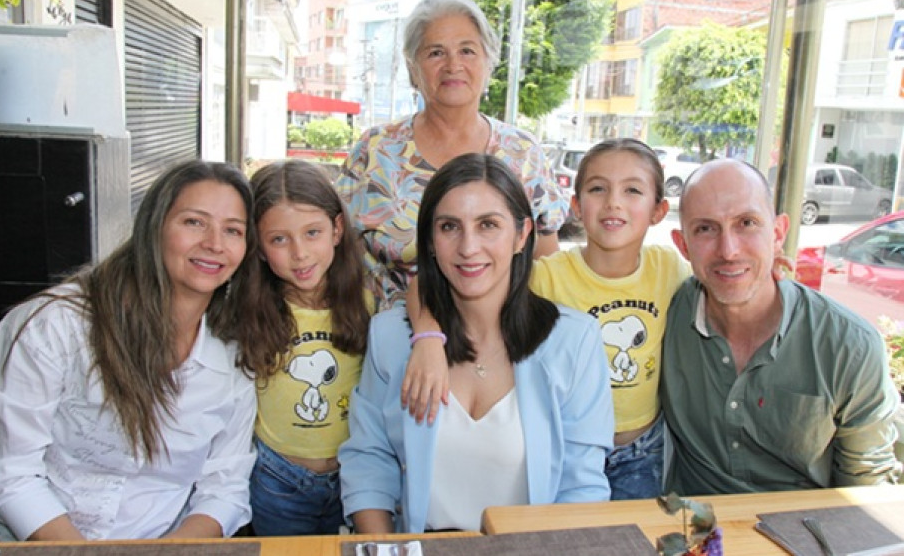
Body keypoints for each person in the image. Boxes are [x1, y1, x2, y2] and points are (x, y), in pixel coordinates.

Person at [0, 161, 258, 541]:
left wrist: (171, 553)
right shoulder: (56, 326)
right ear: (153, 227)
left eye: (232, 230)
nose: (215, 244)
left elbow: (225, 487)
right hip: (38, 544)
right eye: (194, 222)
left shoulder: (233, 356)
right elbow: (10, 473)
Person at [338, 153, 613, 534]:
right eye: (449, 227)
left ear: (521, 236)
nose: (468, 247)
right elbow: (368, 461)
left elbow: (582, 489)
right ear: (430, 241)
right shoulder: (390, 338)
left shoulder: (574, 342)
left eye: (488, 225)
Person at [403, 138, 690, 500]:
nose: (613, 202)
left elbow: (717, 283)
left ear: (659, 210)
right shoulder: (548, 276)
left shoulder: (669, 268)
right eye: (598, 188)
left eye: (632, 190)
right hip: (562, 444)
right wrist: (428, 338)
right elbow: (428, 285)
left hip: (639, 450)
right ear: (575, 205)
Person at [661, 158, 902, 495]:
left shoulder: (849, 345)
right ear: (683, 244)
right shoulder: (662, 315)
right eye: (705, 228)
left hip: (804, 533)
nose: (728, 251)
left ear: (777, 233)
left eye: (746, 223)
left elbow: (866, 489)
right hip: (692, 531)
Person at [334, 0, 569, 309]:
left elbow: (545, 266)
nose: (453, 65)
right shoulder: (375, 150)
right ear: (412, 67)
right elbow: (334, 250)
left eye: (467, 51)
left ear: (489, 62)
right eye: (435, 53)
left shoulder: (522, 153)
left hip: (501, 345)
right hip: (387, 342)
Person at [238, 160, 373, 536]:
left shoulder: (365, 302)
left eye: (312, 232)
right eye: (279, 239)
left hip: (351, 476)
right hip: (277, 478)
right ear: (260, 248)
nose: (299, 253)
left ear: (336, 229)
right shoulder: (247, 311)